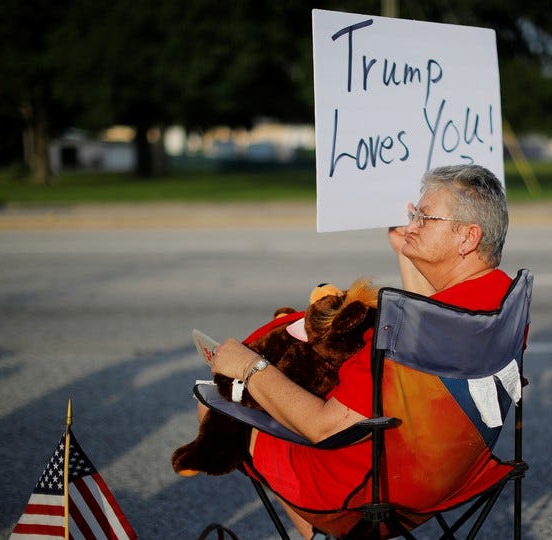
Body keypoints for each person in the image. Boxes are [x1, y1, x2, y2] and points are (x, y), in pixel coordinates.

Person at [207, 164, 512, 539]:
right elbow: (431, 314)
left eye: (425, 217)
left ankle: (319, 535)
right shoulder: (498, 303)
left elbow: (326, 428)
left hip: (374, 489)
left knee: (220, 405)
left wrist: (250, 367)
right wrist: (407, 251)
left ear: (467, 237)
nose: (412, 223)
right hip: (459, 472)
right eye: (414, 213)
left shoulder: (402, 337)